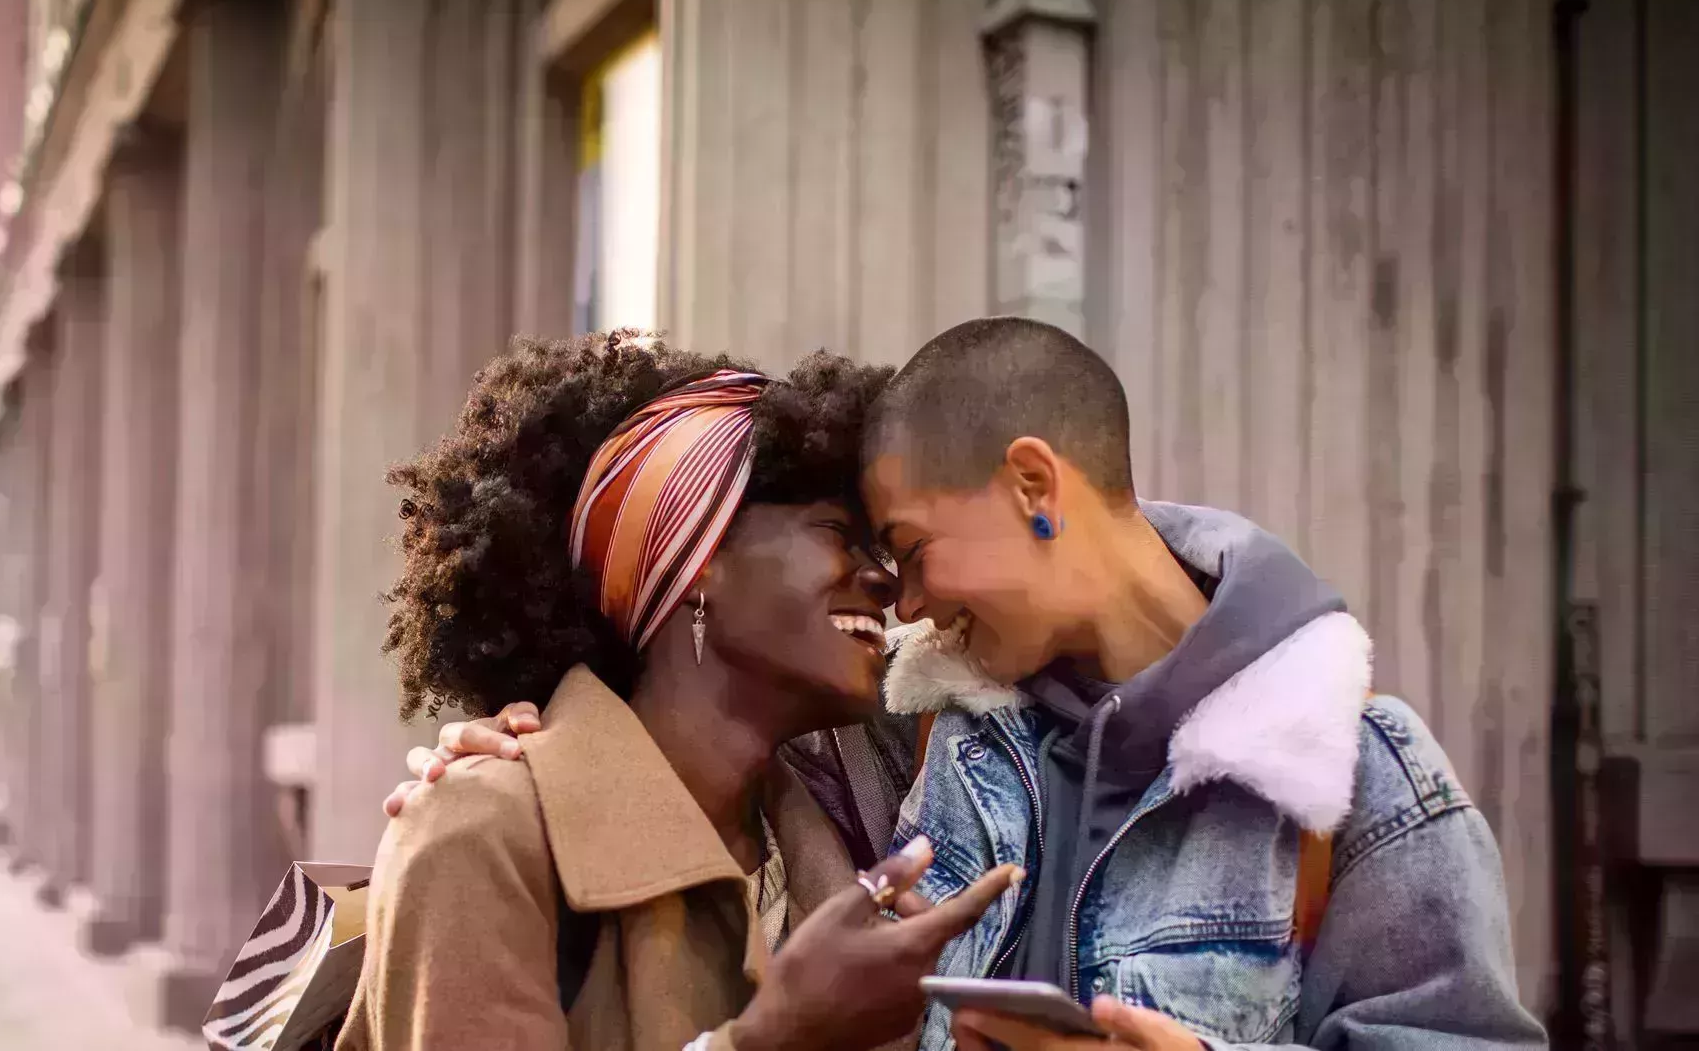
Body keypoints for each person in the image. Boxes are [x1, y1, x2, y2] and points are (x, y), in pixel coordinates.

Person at [397, 318, 1547, 1050]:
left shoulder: (1363, 783)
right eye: (851, 535)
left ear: (1035, 486)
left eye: (900, 541)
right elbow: (626, 772)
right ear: (692, 566)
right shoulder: (918, 756)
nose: (897, 597)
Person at [337, 335, 1018, 1051]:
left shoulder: (854, 824)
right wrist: (774, 1035)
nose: (882, 581)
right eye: (836, 534)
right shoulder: (480, 832)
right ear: (695, 559)